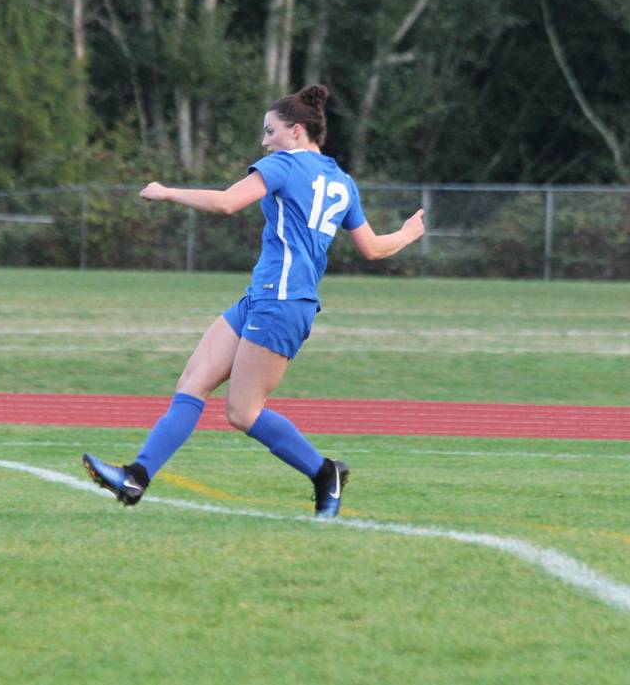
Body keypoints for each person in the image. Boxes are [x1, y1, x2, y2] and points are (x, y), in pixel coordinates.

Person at [82, 85, 425, 518]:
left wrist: (168, 192)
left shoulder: (284, 164)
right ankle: (136, 476)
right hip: (263, 297)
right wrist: (407, 235)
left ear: (296, 131)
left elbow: (227, 203)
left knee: (243, 413)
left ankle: (325, 473)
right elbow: (372, 248)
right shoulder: (343, 181)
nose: (264, 142)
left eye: (270, 131)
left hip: (281, 303)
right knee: (192, 383)